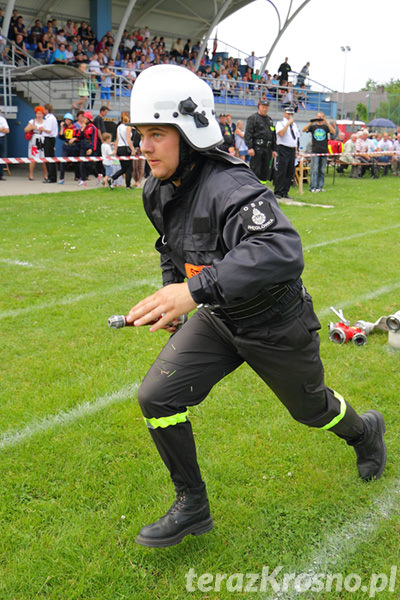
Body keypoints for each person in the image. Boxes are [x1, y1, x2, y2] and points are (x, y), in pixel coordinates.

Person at [121, 64, 387, 549]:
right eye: (141, 134)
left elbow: (280, 250)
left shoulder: (232, 187)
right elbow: (171, 245)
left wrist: (192, 292)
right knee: (156, 398)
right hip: (221, 319)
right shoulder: (156, 189)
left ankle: (365, 432)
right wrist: (175, 295)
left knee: (313, 411)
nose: (144, 145)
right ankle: (192, 505)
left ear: (189, 133)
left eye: (156, 134)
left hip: (275, 323)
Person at [244, 99, 276, 183]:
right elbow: (248, 134)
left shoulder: (269, 120)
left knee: (265, 171)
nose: (265, 109)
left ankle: (262, 188)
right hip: (257, 148)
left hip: (267, 149)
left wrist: (274, 149)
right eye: (263, 107)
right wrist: (250, 147)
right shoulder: (253, 118)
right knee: (256, 170)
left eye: (266, 107)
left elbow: (273, 135)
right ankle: (253, 188)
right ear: (259, 106)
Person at [302, 112, 335, 192]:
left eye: (321, 117)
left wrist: (326, 121)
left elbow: (333, 131)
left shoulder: (325, 127)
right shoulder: (313, 127)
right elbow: (303, 130)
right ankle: (313, 187)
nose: (319, 118)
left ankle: (319, 187)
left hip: (323, 151)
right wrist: (311, 122)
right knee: (315, 169)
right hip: (315, 151)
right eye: (318, 116)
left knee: (322, 170)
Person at [274, 105, 300, 200]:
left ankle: (285, 191)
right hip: (283, 148)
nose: (290, 115)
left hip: (292, 148)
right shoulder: (280, 123)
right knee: (282, 170)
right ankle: (278, 191)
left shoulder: (294, 125)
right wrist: (287, 124)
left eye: (291, 114)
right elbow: (281, 133)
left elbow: (296, 138)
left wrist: (296, 151)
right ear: (285, 114)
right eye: (288, 113)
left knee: (290, 171)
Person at [105, 111, 134, 189]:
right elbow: (128, 139)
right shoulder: (127, 127)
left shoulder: (119, 127)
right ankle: (128, 185)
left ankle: (112, 178)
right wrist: (133, 149)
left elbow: (117, 139)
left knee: (124, 168)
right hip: (126, 148)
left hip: (120, 149)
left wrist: (115, 149)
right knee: (129, 168)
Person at [24, 106, 48, 181]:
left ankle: (45, 175)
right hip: (34, 140)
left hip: (43, 139)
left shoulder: (46, 122)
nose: (39, 115)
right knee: (33, 157)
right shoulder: (32, 121)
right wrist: (31, 128)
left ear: (43, 114)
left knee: (44, 158)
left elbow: (49, 131)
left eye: (40, 113)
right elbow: (25, 130)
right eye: (37, 113)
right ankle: (31, 174)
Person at [58, 112, 80, 184]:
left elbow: (79, 137)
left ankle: (77, 176)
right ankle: (61, 178)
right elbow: (61, 136)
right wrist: (61, 127)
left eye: (68, 120)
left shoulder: (75, 128)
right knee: (63, 162)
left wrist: (74, 139)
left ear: (71, 120)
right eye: (65, 120)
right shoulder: (64, 128)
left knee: (75, 162)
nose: (66, 121)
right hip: (66, 146)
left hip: (74, 147)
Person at [43, 104, 58, 183]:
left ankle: (51, 177)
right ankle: (53, 176)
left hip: (49, 139)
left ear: (47, 110)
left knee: (48, 158)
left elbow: (48, 130)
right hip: (51, 139)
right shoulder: (52, 118)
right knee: (51, 158)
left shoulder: (49, 118)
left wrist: (42, 128)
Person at [0, 109, 10, 181]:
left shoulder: (3, 119)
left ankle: (0, 175)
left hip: (2, 138)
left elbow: (7, 130)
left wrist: (1, 130)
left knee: (2, 156)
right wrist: (1, 129)